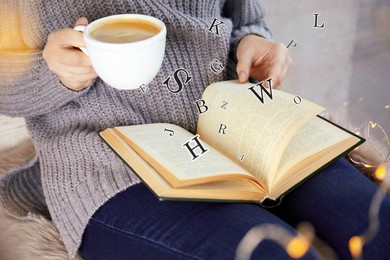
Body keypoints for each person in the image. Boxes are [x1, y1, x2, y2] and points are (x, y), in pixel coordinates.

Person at [0, 0, 389, 259]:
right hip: (109, 164)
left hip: (238, 126)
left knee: (379, 225)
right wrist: (56, 73)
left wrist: (251, 42)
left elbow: (243, 17)